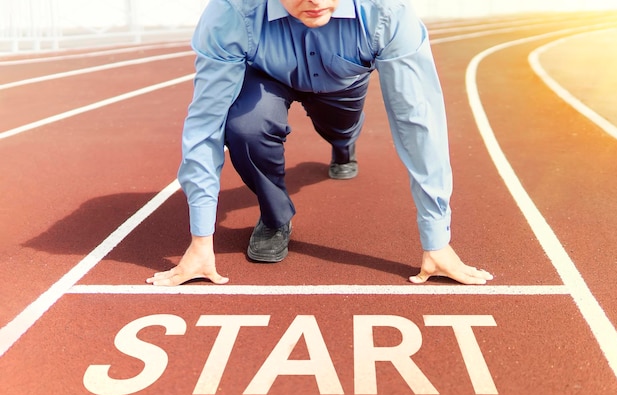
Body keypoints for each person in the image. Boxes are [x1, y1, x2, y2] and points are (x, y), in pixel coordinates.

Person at [147, 0, 494, 286]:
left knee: (341, 132)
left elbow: (419, 122)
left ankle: (343, 145)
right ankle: (274, 217)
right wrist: (200, 240)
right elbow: (206, 121)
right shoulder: (233, 12)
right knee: (244, 127)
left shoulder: (386, 13)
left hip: (342, 84)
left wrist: (437, 239)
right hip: (268, 77)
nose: (313, 0)